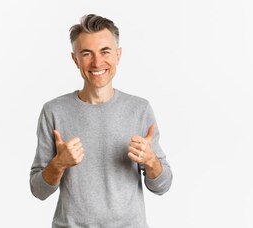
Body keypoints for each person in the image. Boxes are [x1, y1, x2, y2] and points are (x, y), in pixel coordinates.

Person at [29, 14, 173, 227]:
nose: (97, 62)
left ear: (118, 55)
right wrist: (59, 164)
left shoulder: (139, 109)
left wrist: (151, 161)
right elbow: (38, 190)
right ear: (75, 59)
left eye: (105, 51)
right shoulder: (54, 111)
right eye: (87, 53)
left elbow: (162, 186)